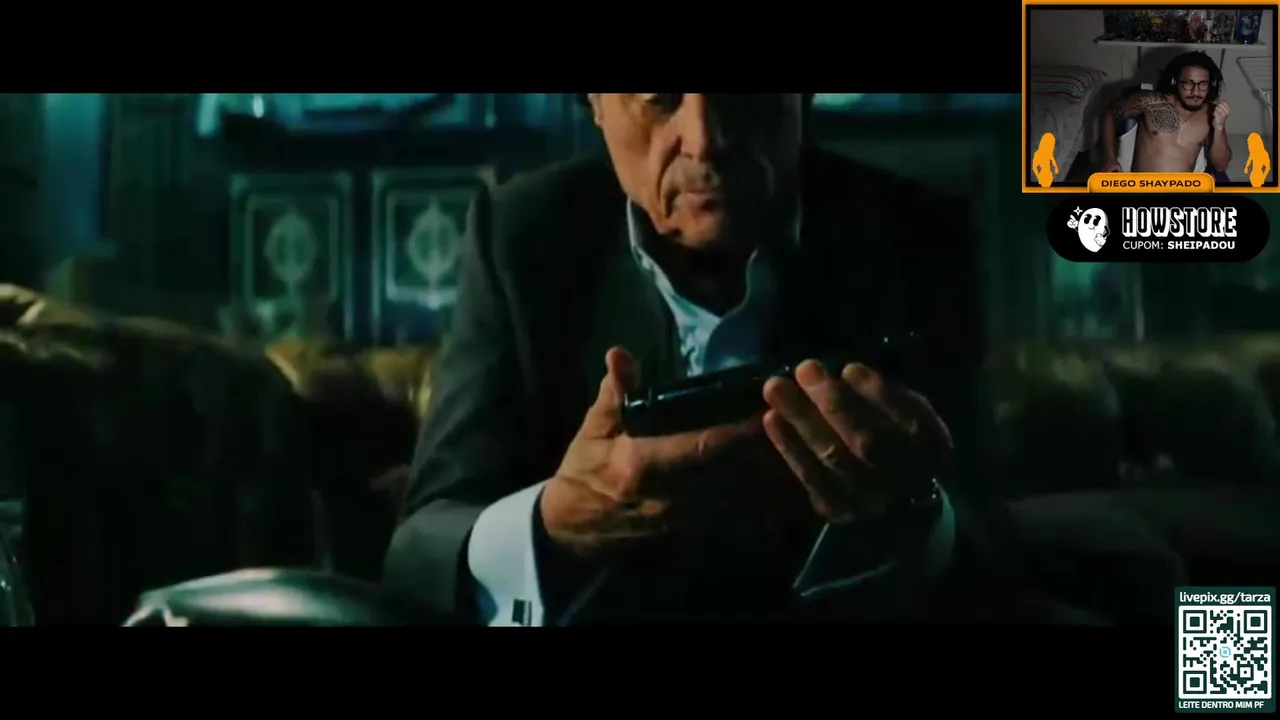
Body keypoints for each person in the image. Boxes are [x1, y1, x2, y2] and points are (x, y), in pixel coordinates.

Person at [383, 93, 1073, 625]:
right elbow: (423, 543)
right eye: (659, 99)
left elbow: (984, 533)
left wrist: (912, 519)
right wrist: (554, 523)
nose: (705, 138)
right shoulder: (522, 236)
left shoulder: (913, 234)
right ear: (595, 102)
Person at [1100, 51, 1232, 174]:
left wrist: (1219, 127)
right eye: (1188, 83)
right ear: (1175, 82)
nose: (1195, 92)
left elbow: (1221, 166)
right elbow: (1110, 113)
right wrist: (1109, 158)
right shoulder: (1150, 102)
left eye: (1203, 84)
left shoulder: (1210, 114)